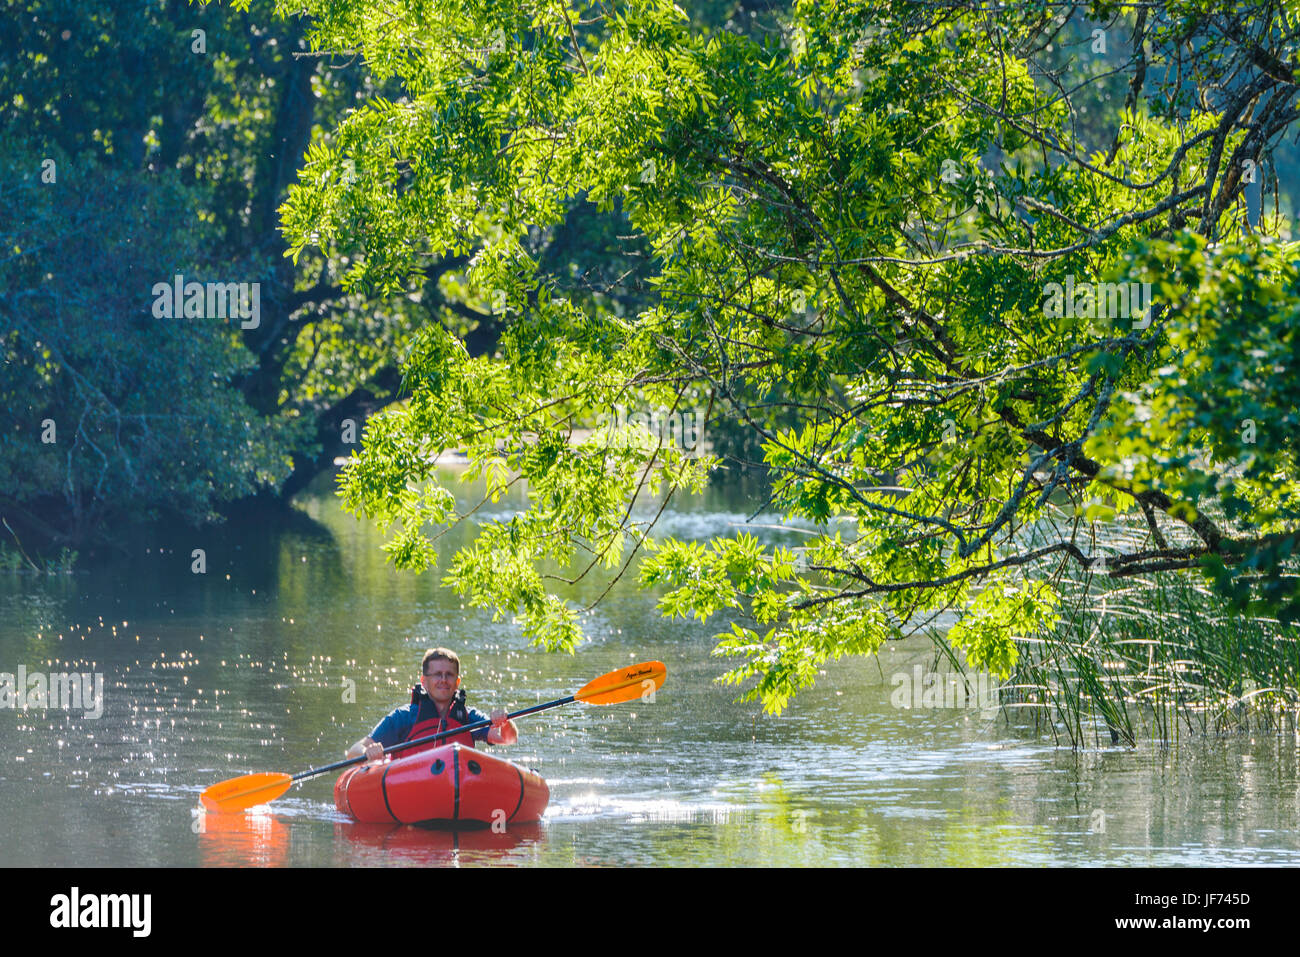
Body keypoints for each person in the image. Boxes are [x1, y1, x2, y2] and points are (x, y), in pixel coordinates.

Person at [345, 648, 518, 762]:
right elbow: (353, 752)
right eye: (437, 674)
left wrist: (504, 722)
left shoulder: (468, 717)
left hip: (456, 783)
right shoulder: (403, 717)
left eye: (449, 675)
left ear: (457, 682)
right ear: (424, 681)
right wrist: (368, 752)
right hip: (409, 787)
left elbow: (508, 738)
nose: (443, 680)